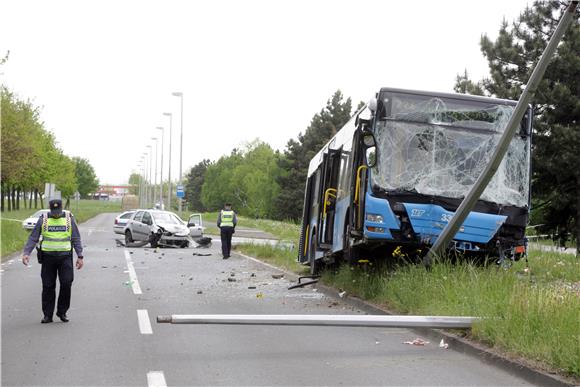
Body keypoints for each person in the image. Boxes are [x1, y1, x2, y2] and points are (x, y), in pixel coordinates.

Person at [21, 199, 84, 323]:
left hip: (65, 257)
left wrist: (80, 256)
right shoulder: (43, 219)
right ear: (50, 209)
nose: (56, 214)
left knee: (66, 283)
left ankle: (62, 312)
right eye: (54, 211)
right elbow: (33, 237)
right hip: (48, 258)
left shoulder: (68, 218)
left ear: (61, 209)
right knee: (48, 286)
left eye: (58, 211)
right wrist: (26, 253)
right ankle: (47, 315)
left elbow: (76, 238)